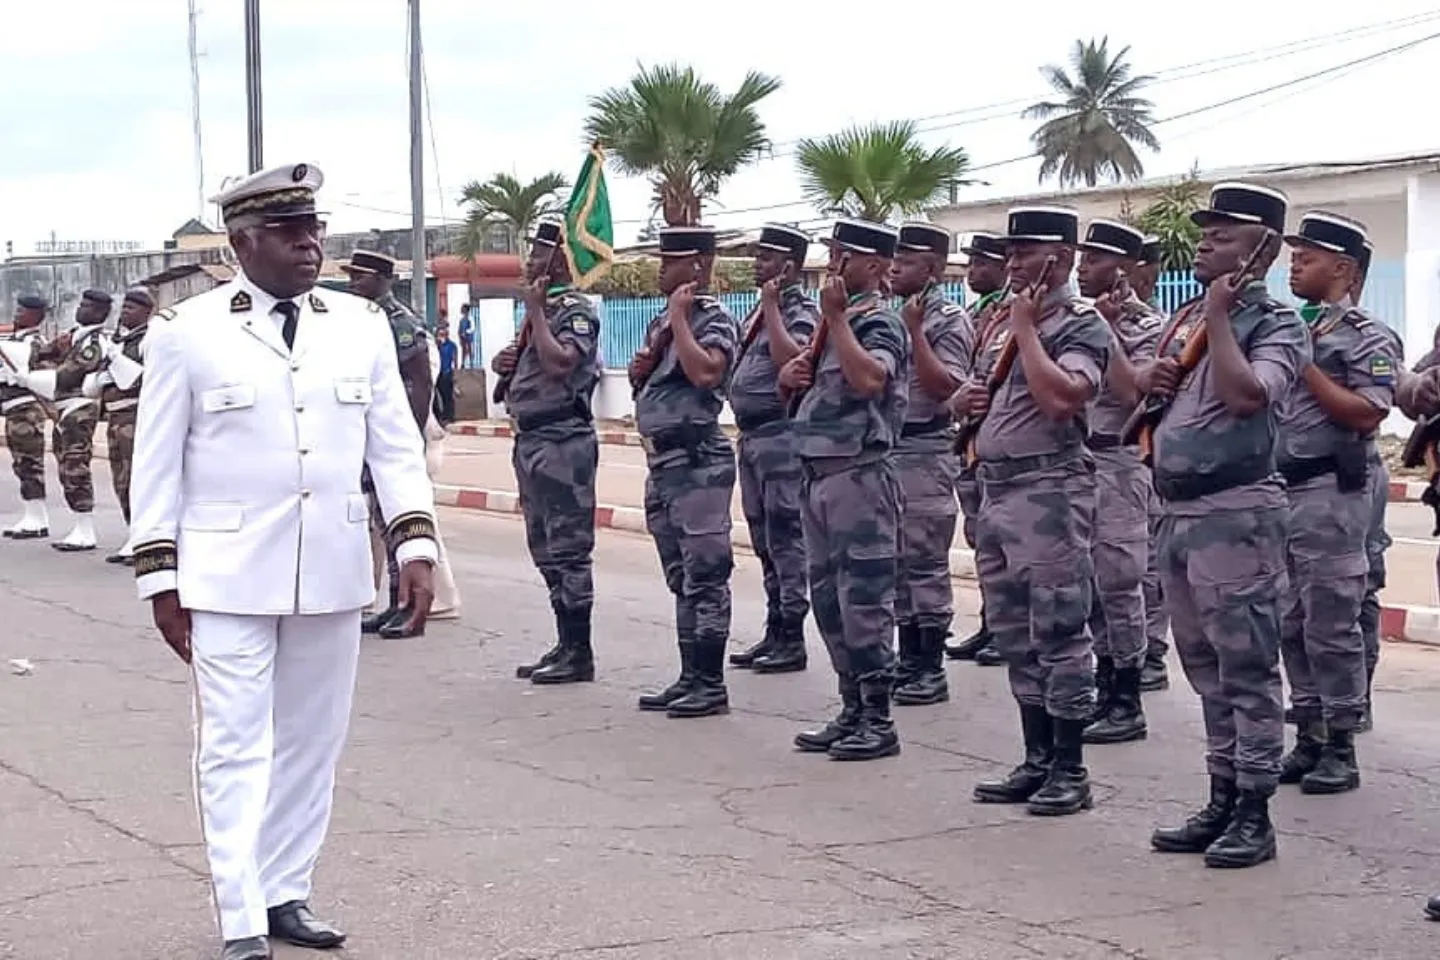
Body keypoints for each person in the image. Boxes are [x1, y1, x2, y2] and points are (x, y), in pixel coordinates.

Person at [129, 162, 438, 960]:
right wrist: (160, 578)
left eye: (316, 231)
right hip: (224, 575)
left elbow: (394, 447)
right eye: (292, 233)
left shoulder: (358, 324)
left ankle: (284, 891)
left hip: (333, 568)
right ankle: (239, 917)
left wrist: (415, 541)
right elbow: (155, 464)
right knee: (233, 743)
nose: (312, 246)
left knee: (312, 740)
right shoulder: (186, 331)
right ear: (243, 242)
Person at [1142, 182, 1307, 869]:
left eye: (1224, 234)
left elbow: (1247, 395)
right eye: (1205, 232)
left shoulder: (1278, 325)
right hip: (1177, 512)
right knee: (1203, 665)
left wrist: (1217, 318)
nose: (1206, 242)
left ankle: (1254, 813)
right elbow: (1141, 397)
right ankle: (1221, 793)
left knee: (1245, 667)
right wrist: (1149, 380)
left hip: (1235, 513)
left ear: (1263, 249)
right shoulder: (1185, 317)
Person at [959, 206, 1110, 817]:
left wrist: (1025, 330)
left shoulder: (1080, 324)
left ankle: (1071, 769)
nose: (1014, 260)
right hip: (997, 489)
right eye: (1011, 251)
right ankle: (1038, 755)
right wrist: (963, 399)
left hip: (1049, 490)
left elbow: (1063, 397)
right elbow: (971, 394)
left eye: (1028, 250)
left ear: (1064, 257)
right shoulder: (1000, 322)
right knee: (1015, 632)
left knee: (1058, 630)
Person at [781, 218, 909, 761]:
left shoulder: (879, 322)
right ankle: (851, 705)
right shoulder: (837, 323)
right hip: (818, 476)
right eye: (832, 251)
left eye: (844, 254)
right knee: (830, 601)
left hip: (859, 476)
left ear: (875, 267)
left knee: (865, 601)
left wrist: (834, 319)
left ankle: (878, 719)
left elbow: (870, 381)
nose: (833, 263)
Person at [1275, 212, 1394, 796]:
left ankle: (1341, 745)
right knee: (1290, 621)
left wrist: (1304, 364)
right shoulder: (1291, 327)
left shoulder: (1366, 335)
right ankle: (1309, 735)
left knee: (1330, 620)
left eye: (1309, 257)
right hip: (1282, 491)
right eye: (1294, 254)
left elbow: (1368, 411)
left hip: (1332, 491)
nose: (1294, 264)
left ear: (1343, 269)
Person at [630, 226, 739, 718]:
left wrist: (678, 317)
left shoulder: (713, 320)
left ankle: (710, 684)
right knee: (681, 576)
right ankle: (690, 675)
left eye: (669, 261)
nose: (659, 268)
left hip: (698, 463)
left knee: (706, 576)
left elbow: (707, 373)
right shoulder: (664, 321)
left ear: (695, 267)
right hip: (664, 464)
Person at [492, 215, 603, 684]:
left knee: (570, 549)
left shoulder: (574, 310)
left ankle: (580, 651)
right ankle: (564, 641)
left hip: (563, 441)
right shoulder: (544, 311)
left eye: (538, 253)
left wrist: (536, 313)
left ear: (558, 259)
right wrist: (506, 365)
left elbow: (561, 363)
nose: (529, 261)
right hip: (532, 440)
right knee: (545, 549)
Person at [1075, 219, 1164, 745]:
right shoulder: (1078, 319)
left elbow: (1135, 395)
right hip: (1078, 464)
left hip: (1120, 463)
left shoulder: (1146, 326)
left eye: (1094, 260)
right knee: (1088, 586)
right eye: (1082, 258)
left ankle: (1126, 697)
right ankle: (1102, 683)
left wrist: (1105, 330)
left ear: (1124, 270)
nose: (1083, 268)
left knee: (1118, 581)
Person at [888, 222, 972, 706]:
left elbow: (947, 388)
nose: (896, 263)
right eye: (895, 255)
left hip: (924, 451)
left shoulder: (947, 319)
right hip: (890, 450)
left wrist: (916, 334)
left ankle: (928, 666)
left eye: (910, 257)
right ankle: (906, 658)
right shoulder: (888, 312)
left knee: (923, 563)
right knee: (896, 562)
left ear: (934, 268)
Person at [727, 223, 816, 675]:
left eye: (765, 258)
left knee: (786, 538)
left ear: (788, 266)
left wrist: (772, 310)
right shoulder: (757, 314)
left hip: (783, 438)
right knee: (763, 539)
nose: (757, 265)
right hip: (754, 440)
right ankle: (774, 627)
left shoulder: (797, 312)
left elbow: (796, 362)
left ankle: (793, 637)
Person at [342, 250, 435, 640]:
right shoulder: (359, 321)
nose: (352, 284)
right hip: (366, 439)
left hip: (394, 438)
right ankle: (394, 602)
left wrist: (407, 439)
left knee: (397, 522)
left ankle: (405, 603)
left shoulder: (399, 323)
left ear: (383, 280)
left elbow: (419, 382)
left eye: (360, 277)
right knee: (382, 521)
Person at [946, 232, 1010, 667]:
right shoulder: (977, 314)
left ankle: (1006, 630)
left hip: (1001, 444)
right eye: (970, 265)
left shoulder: (1010, 315)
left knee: (1004, 545)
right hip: (972, 444)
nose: (973, 272)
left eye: (982, 265)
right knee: (981, 540)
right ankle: (991, 623)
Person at [13, 288, 112, 552]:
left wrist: (30, 379)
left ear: (101, 313)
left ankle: (86, 529)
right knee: (65, 465)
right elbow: (40, 355)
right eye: (82, 304)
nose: (81, 309)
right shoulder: (72, 337)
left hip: (80, 408)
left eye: (88, 306)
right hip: (65, 408)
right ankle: (78, 526)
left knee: (75, 466)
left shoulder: (92, 343)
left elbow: (68, 376)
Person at [1352, 240, 1392, 732]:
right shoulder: (1307, 327)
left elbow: (1376, 403)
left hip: (1353, 477)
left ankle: (1355, 698)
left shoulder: (1370, 335)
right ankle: (1321, 703)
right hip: (1298, 486)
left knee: (1358, 588)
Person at [1132, 237, 1173, 693]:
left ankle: (1152, 651)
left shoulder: (1151, 325)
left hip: (1137, 456)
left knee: (1143, 562)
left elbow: (1135, 391)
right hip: (1096, 458)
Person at [96, 287, 156, 564]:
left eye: (132, 308)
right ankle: (133, 533)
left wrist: (117, 360)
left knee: (137, 479)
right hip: (116, 418)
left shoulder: (150, 339)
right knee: (121, 479)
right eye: (124, 308)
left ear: (147, 311)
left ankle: (144, 539)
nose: (125, 313)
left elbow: (140, 379)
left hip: (136, 416)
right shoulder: (121, 340)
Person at [0, 296, 51, 539]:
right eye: (18, 308)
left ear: (36, 316)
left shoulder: (35, 342)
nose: (18, 313)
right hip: (12, 408)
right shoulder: (14, 340)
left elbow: (35, 369)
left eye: (24, 310)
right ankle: (31, 515)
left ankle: (38, 518)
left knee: (30, 463)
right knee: (21, 464)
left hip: (26, 408)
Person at [434, 324, 458, 424]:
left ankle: (449, 416)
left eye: (444, 333)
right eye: (440, 333)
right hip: (437, 373)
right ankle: (440, 416)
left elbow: (454, 359)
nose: (442, 335)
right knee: (436, 396)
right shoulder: (436, 346)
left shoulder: (451, 345)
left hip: (447, 373)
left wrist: (455, 373)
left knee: (447, 396)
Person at [458, 301, 476, 369]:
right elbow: (460, 328)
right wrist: (460, 335)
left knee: (470, 349)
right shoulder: (462, 320)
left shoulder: (470, 318)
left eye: (463, 308)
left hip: (469, 337)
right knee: (464, 350)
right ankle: (463, 363)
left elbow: (472, 328)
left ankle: (471, 364)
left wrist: (466, 332)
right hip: (463, 338)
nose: (461, 310)